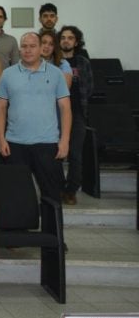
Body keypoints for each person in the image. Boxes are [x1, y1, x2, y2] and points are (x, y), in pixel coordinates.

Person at [0, 32, 72, 204]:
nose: (28, 50)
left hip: (47, 144)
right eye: (24, 46)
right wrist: (1, 139)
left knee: (51, 196)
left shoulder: (56, 74)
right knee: (16, 196)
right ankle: (19, 230)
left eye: (32, 46)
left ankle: (52, 231)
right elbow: (0, 108)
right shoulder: (7, 74)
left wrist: (65, 140)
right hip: (14, 144)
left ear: (40, 49)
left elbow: (65, 108)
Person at [59, 26, 94, 205]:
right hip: (55, 114)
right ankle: (58, 187)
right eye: (63, 37)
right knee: (55, 153)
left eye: (70, 38)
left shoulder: (83, 62)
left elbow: (89, 88)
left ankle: (71, 190)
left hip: (78, 113)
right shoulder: (52, 62)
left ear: (76, 41)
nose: (66, 40)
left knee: (75, 153)